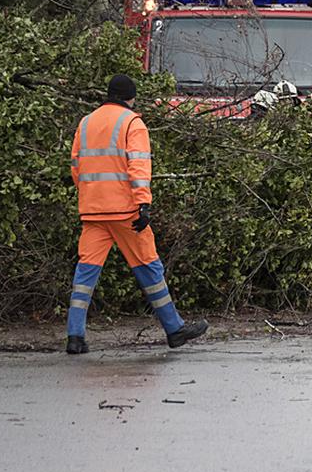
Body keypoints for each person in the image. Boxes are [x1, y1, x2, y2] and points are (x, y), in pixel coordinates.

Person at [66, 74, 208, 353]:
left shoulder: (86, 123)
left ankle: (75, 337)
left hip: (93, 211)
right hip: (126, 211)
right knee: (148, 266)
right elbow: (139, 166)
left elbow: (75, 166)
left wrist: (92, 195)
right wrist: (143, 204)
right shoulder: (132, 123)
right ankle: (174, 328)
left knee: (85, 273)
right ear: (130, 98)